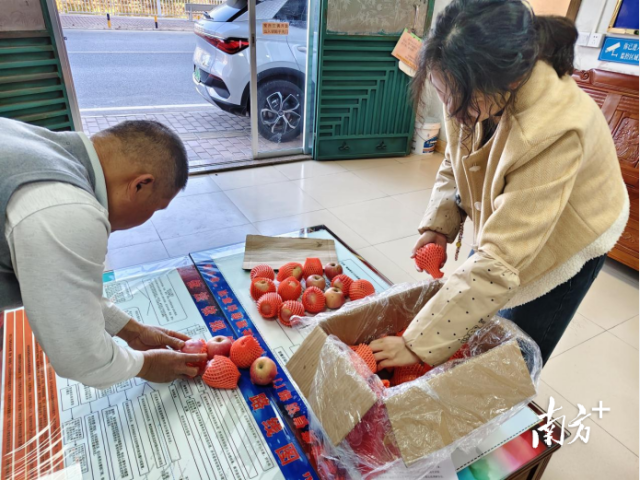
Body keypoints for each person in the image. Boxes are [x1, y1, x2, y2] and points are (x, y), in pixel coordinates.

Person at [371, 0, 629, 368]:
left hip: (572, 229)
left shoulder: (555, 130)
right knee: (472, 310)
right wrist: (439, 225)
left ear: (508, 82)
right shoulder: (466, 80)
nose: (451, 110)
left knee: (513, 352)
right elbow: (456, 158)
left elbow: (500, 260)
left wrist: (415, 344)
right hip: (516, 213)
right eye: (443, 95)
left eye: (461, 102)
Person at [1, 118, 207, 388]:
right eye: (156, 208)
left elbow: (63, 286)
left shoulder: (34, 142)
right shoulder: (66, 210)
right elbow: (80, 359)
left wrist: (130, 330)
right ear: (140, 185)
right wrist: (146, 364)